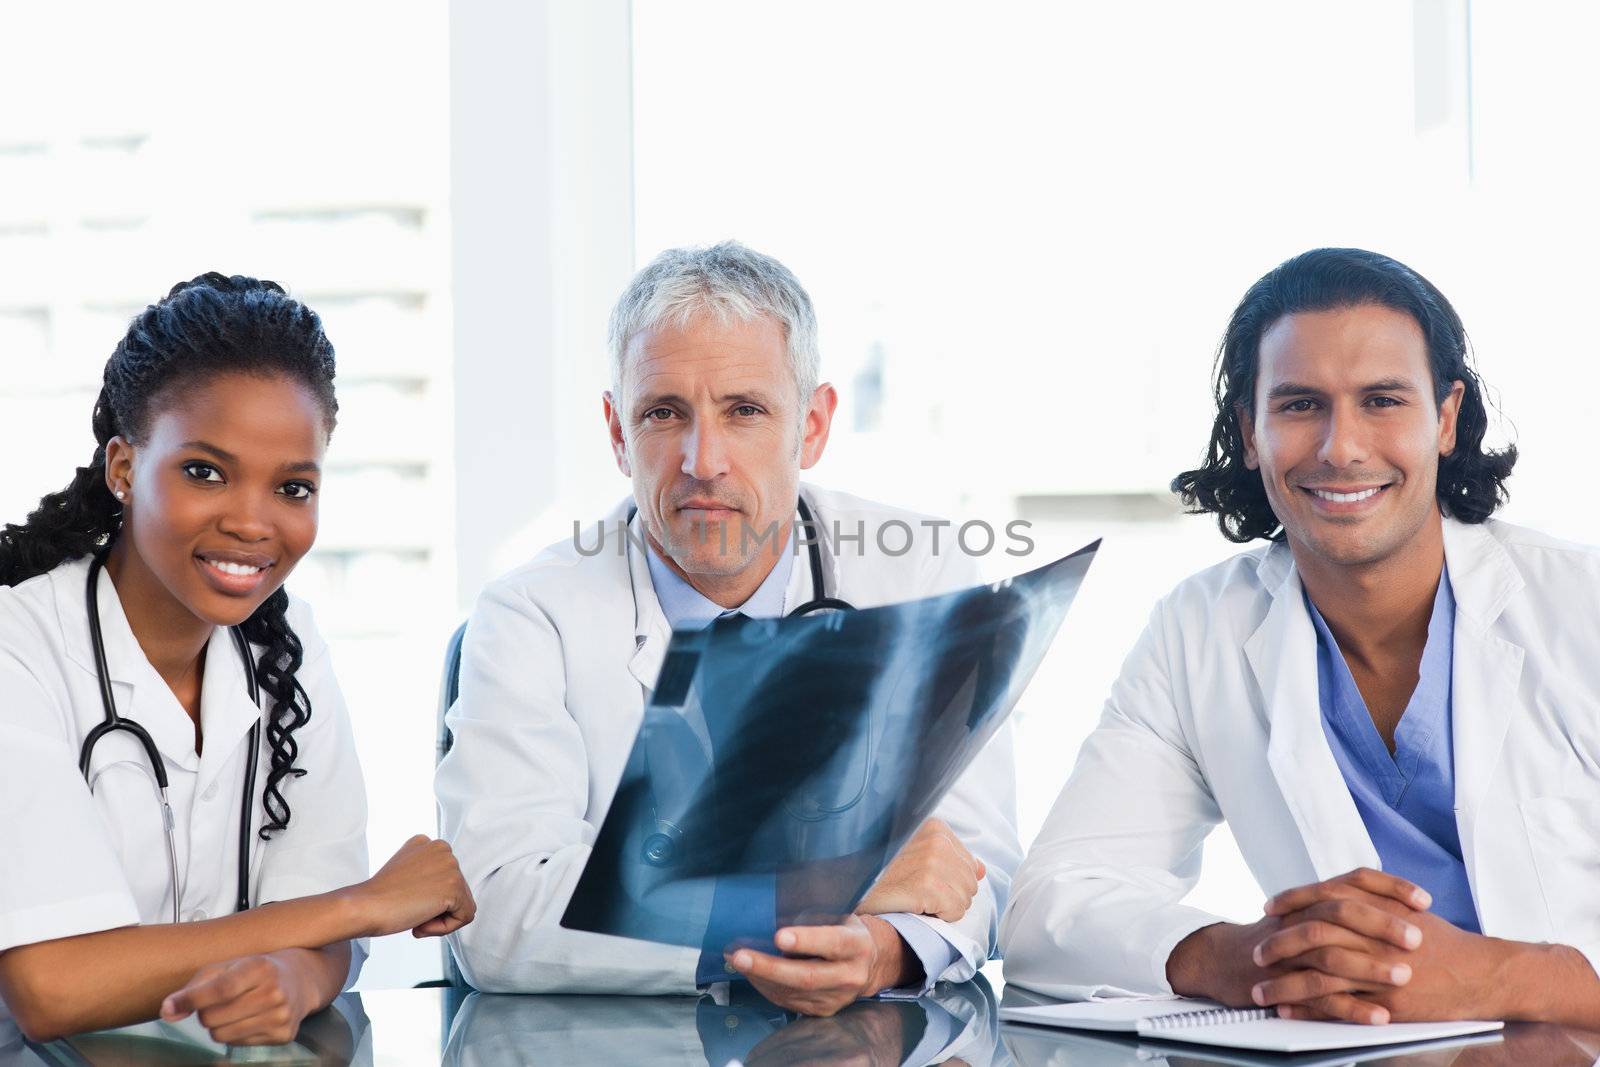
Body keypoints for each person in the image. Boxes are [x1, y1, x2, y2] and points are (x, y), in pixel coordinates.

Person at [1000, 248, 1600, 1027]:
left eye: (1382, 400)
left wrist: (1513, 981)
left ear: (1445, 418)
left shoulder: (1579, 606)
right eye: (1299, 405)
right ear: (1250, 432)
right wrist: (1243, 956)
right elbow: (1050, 903)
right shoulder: (1200, 630)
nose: (1341, 447)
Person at [435, 242, 1021, 1015]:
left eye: (744, 410)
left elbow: (973, 867)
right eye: (663, 413)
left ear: (811, 425)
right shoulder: (530, 613)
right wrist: (803, 892)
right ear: (617, 432)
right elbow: (499, 910)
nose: (701, 460)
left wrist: (883, 952)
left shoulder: (920, 575)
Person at [0, 274, 476, 1045]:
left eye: (292, 486)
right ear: (123, 468)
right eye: (205, 472)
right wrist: (363, 903)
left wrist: (295, 975)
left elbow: (319, 935)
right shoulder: (17, 645)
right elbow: (51, 985)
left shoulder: (285, 648)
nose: (253, 522)